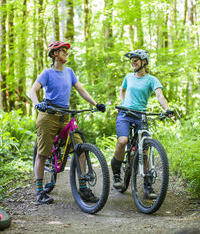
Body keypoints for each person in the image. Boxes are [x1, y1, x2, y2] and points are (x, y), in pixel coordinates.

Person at [29, 41, 106, 204]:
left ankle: (84, 188)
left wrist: (95, 104)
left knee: (81, 150)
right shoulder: (47, 73)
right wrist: (37, 104)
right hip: (48, 115)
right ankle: (39, 192)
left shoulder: (69, 72)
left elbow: (81, 90)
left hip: (65, 116)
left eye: (66, 51)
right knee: (43, 154)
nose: (66, 53)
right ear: (55, 54)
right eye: (63, 50)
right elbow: (33, 91)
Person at [111, 49, 173, 199]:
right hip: (125, 114)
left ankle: (147, 185)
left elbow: (159, 95)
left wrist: (167, 108)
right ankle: (117, 174)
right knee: (122, 141)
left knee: (144, 151)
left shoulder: (152, 79)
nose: (132, 63)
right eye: (131, 60)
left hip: (140, 115)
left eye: (135, 60)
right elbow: (122, 89)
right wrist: (122, 102)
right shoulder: (128, 77)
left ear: (144, 62)